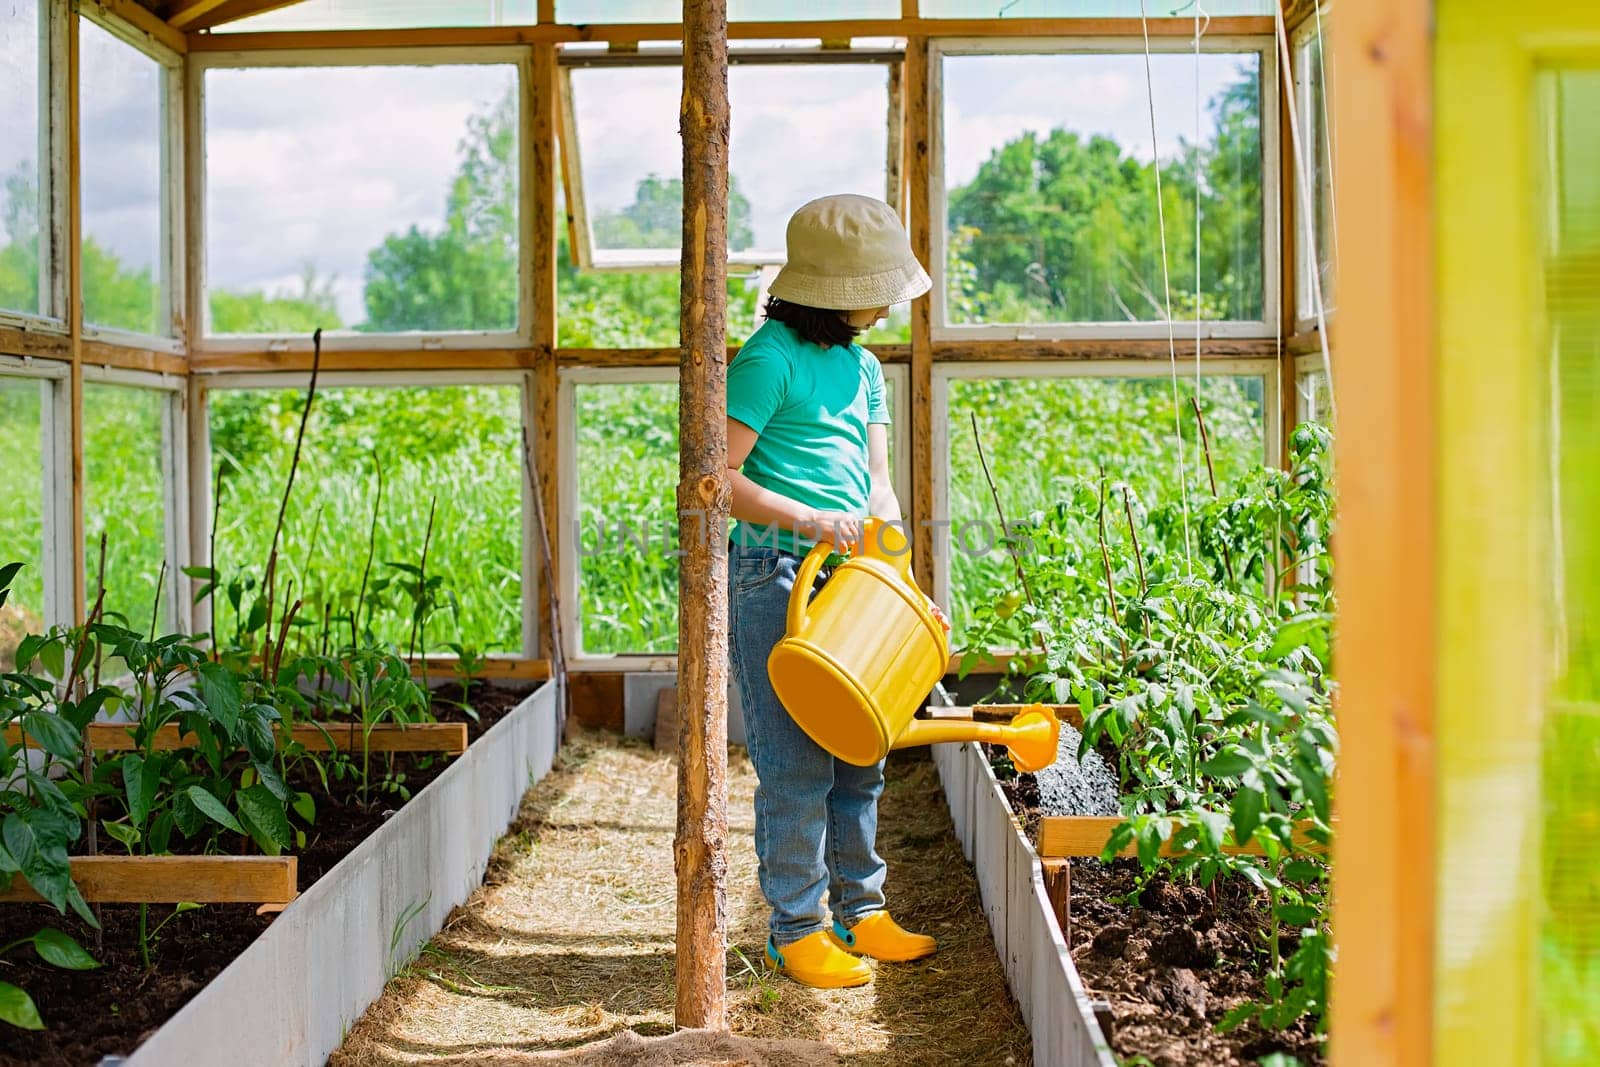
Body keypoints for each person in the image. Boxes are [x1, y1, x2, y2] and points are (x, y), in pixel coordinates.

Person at [725, 193, 948, 989]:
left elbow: (879, 490)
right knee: (795, 766)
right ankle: (796, 928)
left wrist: (904, 586)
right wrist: (813, 519)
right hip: (773, 575)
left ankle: (864, 911)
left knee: (861, 754)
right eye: (877, 283)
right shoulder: (765, 359)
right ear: (829, 285)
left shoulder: (863, 366)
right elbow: (718, 480)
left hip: (850, 577)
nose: (889, 300)